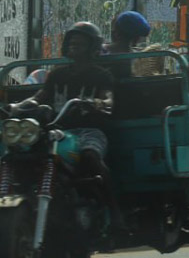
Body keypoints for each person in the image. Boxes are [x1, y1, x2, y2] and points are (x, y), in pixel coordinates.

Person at [17, 22, 125, 231]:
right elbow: (39, 97)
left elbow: (108, 100)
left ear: (93, 47)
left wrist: (98, 103)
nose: (75, 46)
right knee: (26, 155)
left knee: (90, 156)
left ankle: (115, 211)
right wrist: (18, 106)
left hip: (90, 131)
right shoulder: (57, 74)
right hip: (59, 133)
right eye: (72, 42)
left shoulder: (101, 75)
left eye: (81, 43)